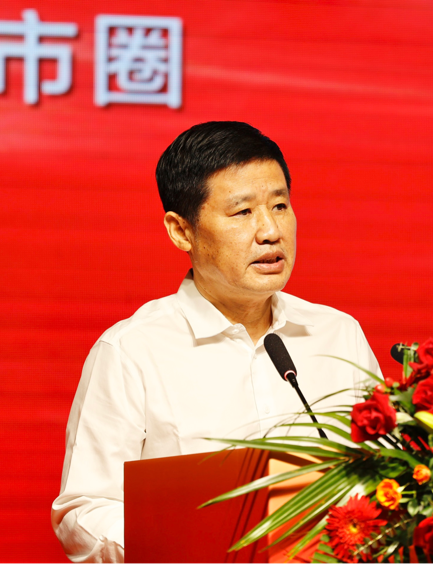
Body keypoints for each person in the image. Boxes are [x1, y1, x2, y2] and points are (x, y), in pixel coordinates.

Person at [51, 121, 381, 563]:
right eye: (242, 212)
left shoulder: (338, 334)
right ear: (181, 231)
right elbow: (85, 510)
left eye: (280, 205)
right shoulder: (132, 352)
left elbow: (387, 474)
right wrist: (184, 546)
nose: (270, 231)